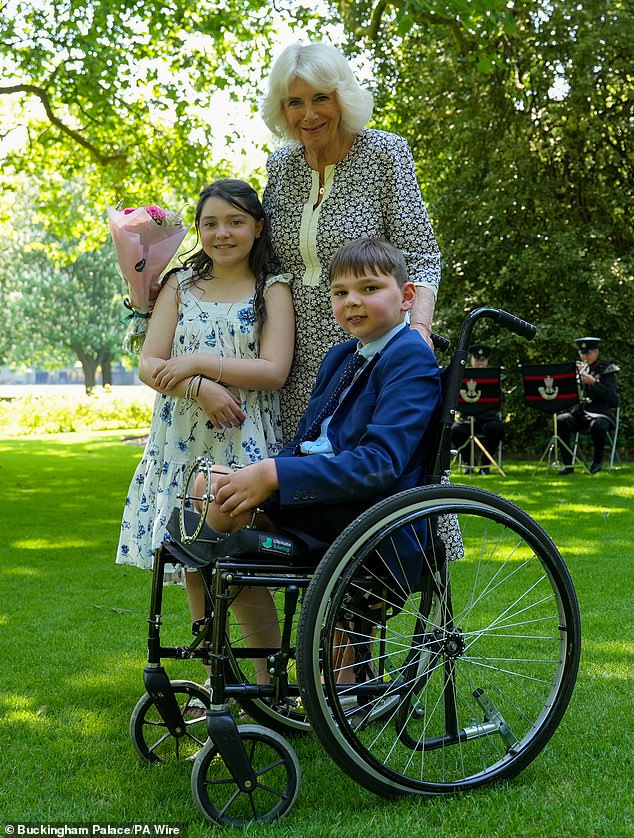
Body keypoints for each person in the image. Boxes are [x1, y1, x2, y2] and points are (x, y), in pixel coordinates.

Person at [115, 179, 295, 680]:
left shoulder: (273, 288)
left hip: (243, 438)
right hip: (181, 437)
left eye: (236, 222)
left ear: (257, 228)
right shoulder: (179, 283)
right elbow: (150, 363)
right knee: (194, 555)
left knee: (237, 560)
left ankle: (269, 682)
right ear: (197, 230)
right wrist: (197, 388)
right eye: (211, 223)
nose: (223, 233)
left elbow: (274, 369)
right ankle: (218, 677)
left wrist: (197, 363)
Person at [194, 237, 441, 598]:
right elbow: (308, 439)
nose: (352, 301)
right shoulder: (341, 357)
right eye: (340, 293)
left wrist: (274, 475)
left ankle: (256, 648)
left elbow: (379, 464)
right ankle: (252, 650)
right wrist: (267, 471)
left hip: (366, 514)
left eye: (369, 288)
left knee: (216, 503)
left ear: (407, 297)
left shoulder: (410, 357)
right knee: (208, 487)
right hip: (323, 501)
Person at [260, 40, 441, 439]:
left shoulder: (384, 152)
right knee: (301, 473)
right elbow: (263, 259)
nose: (309, 115)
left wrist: (420, 332)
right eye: (294, 102)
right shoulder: (281, 166)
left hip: (368, 348)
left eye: (320, 98)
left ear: (342, 97)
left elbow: (423, 255)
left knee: (367, 469)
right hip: (291, 354)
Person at [556, 337, 619, 475]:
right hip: (581, 413)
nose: (585, 356)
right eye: (582, 353)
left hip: (601, 414)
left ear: (596, 352)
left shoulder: (607, 370)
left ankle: (597, 463)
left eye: (589, 353)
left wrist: (594, 383)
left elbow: (613, 399)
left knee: (598, 425)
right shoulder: (577, 370)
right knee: (560, 421)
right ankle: (568, 465)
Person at [451, 344, 505, 475]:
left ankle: (485, 464)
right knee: (454, 431)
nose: (480, 362)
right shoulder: (462, 375)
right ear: (472, 360)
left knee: (497, 429)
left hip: (487, 419)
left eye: (483, 359)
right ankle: (469, 462)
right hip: (467, 419)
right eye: (477, 359)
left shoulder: (494, 377)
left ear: (487, 361)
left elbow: (501, 401)